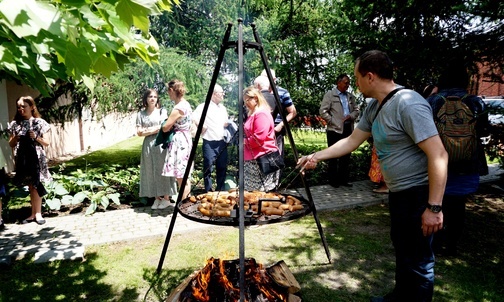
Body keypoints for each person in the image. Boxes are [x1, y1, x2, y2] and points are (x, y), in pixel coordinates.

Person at [298, 50, 448, 302]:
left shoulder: (408, 103)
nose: (355, 84)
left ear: (370, 76)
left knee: (420, 261)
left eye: (357, 78)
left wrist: (434, 207)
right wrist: (317, 155)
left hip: (419, 193)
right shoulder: (374, 107)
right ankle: (400, 297)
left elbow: (439, 154)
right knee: (403, 249)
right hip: (399, 193)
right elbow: (351, 141)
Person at [427, 61, 489, 256]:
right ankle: (452, 246)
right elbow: (483, 131)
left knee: (436, 203)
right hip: (466, 163)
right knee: (458, 206)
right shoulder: (476, 102)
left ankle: (435, 245)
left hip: (439, 162)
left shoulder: (433, 101)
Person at [8, 96, 52, 225]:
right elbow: (11, 144)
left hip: (37, 158)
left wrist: (36, 137)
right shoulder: (15, 124)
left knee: (36, 184)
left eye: (24, 106)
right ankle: (33, 213)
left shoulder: (40, 123)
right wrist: (15, 138)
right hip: (23, 159)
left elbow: (47, 142)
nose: (21, 109)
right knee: (30, 186)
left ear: (32, 107)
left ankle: (38, 213)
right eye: (19, 107)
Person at [136, 89, 178, 210]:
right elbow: (139, 132)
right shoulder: (141, 114)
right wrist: (154, 129)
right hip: (148, 145)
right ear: (146, 99)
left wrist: (147, 130)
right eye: (150, 96)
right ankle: (156, 199)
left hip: (160, 143)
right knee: (150, 170)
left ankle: (166, 198)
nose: (153, 99)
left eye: (155, 96)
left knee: (162, 169)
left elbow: (163, 127)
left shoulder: (162, 112)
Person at [319, 74, 359, 187]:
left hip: (348, 128)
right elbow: (323, 111)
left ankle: (343, 180)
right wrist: (333, 121)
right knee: (333, 156)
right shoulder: (330, 95)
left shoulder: (350, 96)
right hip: (334, 130)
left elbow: (357, 110)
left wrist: (351, 116)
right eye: (346, 82)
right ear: (338, 82)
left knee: (346, 155)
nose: (348, 85)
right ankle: (333, 181)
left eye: (349, 83)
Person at [192, 84, 229, 192]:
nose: (223, 94)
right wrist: (201, 125)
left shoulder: (223, 108)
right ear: (213, 94)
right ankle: (208, 190)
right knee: (208, 167)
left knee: (222, 167)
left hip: (222, 141)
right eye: (221, 92)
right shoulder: (203, 106)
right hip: (209, 141)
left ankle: (220, 190)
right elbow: (193, 117)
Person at [243, 86, 279, 192]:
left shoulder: (261, 114)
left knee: (258, 193)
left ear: (256, 98)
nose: (246, 103)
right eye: (245, 100)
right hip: (253, 157)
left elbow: (258, 139)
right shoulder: (254, 114)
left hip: (261, 158)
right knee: (252, 193)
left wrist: (243, 142)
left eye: (248, 99)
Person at [162, 80, 193, 200]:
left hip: (180, 142)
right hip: (186, 139)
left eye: (168, 92)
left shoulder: (178, 108)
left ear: (171, 90)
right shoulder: (186, 104)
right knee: (185, 176)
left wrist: (164, 123)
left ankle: (183, 205)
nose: (168, 95)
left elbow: (165, 128)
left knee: (181, 176)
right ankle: (186, 202)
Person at [259, 70, 297, 155]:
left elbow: (293, 112)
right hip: (259, 130)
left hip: (276, 130)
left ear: (274, 79)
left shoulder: (282, 92)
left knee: (276, 159)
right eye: (263, 78)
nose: (264, 80)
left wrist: (280, 125)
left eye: (266, 78)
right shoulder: (257, 92)